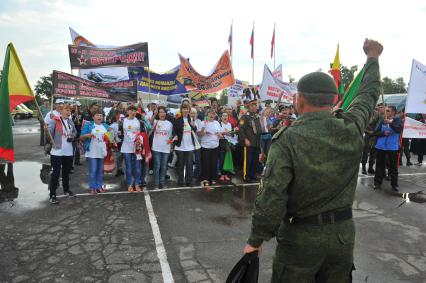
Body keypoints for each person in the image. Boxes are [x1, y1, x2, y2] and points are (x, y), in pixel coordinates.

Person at [243, 39, 383, 282]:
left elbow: (272, 196)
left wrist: (256, 240)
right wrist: (373, 58)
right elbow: (369, 94)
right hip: (342, 238)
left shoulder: (288, 139)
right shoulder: (351, 127)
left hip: (300, 241)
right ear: (333, 98)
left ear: (300, 100)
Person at [47, 103, 77, 204]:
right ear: (61, 111)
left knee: (66, 172)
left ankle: (66, 190)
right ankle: (52, 194)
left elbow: (75, 132)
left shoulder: (70, 121)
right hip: (57, 151)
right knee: (56, 173)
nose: (69, 112)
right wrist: (47, 131)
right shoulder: (55, 120)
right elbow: (49, 134)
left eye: (70, 110)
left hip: (68, 151)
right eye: (67, 110)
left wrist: (72, 136)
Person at [119, 105, 151, 192]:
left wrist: (139, 140)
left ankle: (136, 184)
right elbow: (119, 134)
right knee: (128, 167)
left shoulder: (140, 122)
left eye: (134, 111)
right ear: (127, 111)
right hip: (126, 148)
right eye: (131, 110)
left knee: (137, 167)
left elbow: (143, 134)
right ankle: (129, 184)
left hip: (137, 148)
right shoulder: (122, 121)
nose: (133, 112)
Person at [80, 109, 110, 194]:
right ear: (93, 117)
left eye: (101, 115)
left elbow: (111, 139)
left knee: (100, 170)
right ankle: (93, 187)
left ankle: (99, 186)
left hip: (102, 151)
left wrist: (113, 134)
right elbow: (81, 137)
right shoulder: (88, 125)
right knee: (93, 170)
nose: (99, 117)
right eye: (97, 115)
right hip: (92, 151)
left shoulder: (106, 126)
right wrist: (87, 135)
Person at [373, 105, 403, 191]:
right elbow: (375, 132)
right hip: (381, 146)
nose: (386, 112)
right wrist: (383, 133)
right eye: (386, 111)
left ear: (393, 112)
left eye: (388, 111)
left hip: (392, 147)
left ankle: (394, 184)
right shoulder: (382, 120)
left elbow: (399, 130)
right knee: (379, 165)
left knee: (393, 167)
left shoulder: (397, 120)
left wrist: (390, 123)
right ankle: (377, 183)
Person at [172, 104, 197, 186]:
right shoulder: (177, 120)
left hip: (190, 146)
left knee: (189, 165)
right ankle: (180, 181)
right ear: (181, 110)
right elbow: (174, 131)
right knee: (181, 165)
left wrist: (194, 126)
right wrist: (175, 136)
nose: (185, 110)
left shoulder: (191, 119)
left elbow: (194, 130)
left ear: (189, 110)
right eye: (184, 109)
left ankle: (188, 181)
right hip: (180, 146)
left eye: (186, 109)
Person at [238, 99, 262, 182]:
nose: (254, 107)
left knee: (255, 160)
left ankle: (252, 174)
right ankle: (246, 175)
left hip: (256, 142)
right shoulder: (244, 116)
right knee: (248, 160)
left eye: (255, 105)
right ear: (248, 107)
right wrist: (245, 139)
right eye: (252, 105)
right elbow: (240, 129)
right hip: (248, 142)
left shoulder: (257, 116)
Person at [151, 106, 173, 189]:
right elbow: (150, 123)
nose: (162, 113)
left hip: (166, 148)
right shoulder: (155, 122)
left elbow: (170, 136)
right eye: (160, 112)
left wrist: (171, 146)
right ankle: (156, 184)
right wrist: (154, 114)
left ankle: (162, 183)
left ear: (166, 113)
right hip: (156, 148)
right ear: (158, 113)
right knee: (157, 166)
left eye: (163, 112)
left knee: (164, 167)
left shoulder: (169, 123)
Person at [199, 109, 222, 186]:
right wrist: (204, 129)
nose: (212, 115)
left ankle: (213, 178)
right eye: (210, 114)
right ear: (207, 114)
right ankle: (205, 179)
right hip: (205, 146)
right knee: (206, 164)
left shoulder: (217, 123)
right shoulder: (202, 122)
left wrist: (219, 135)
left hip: (215, 146)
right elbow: (200, 134)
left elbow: (220, 135)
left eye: (213, 114)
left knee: (214, 163)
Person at [361, 103, 384, 174]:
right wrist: (369, 132)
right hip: (368, 135)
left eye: (383, 107)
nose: (381, 108)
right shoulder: (368, 114)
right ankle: (364, 167)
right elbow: (364, 125)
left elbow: (381, 125)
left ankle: (370, 167)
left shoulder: (381, 115)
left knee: (373, 153)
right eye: (380, 107)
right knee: (365, 152)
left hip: (375, 136)